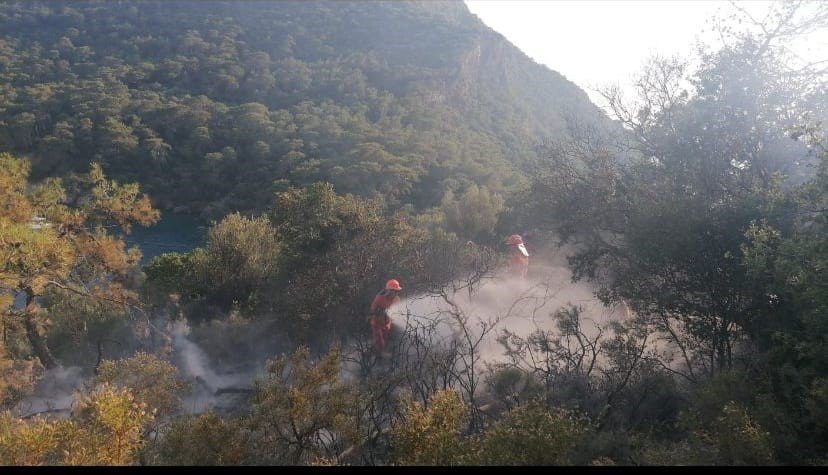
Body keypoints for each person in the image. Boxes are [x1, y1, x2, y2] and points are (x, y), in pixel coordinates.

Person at [369, 279, 402, 355]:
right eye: (394, 291)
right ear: (389, 291)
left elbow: (398, 312)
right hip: (376, 323)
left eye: (397, 291)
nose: (396, 293)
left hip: (387, 324)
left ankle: (375, 353)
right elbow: (372, 310)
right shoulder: (379, 298)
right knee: (380, 342)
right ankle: (377, 357)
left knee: (383, 341)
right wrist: (380, 312)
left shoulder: (397, 299)